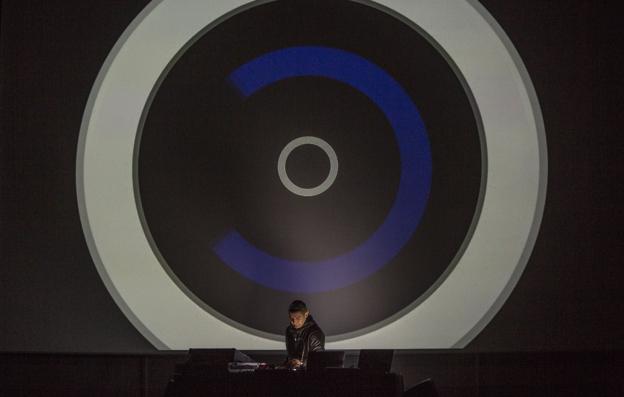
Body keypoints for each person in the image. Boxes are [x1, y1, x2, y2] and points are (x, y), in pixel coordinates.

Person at [284, 300, 324, 369]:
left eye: (298, 318)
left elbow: (318, 361)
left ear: (306, 314)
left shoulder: (315, 333)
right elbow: (290, 356)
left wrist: (301, 363)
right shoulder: (289, 330)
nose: (294, 322)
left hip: (308, 376)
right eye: (291, 318)